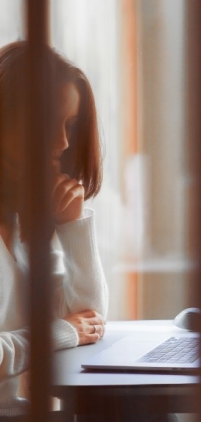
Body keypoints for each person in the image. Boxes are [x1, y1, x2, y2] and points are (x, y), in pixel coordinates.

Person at [0, 41, 108, 419]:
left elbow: (89, 318)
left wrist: (74, 227)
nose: (63, 142)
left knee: (134, 406)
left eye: (70, 126)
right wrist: (60, 333)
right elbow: (71, 328)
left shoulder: (18, 223)